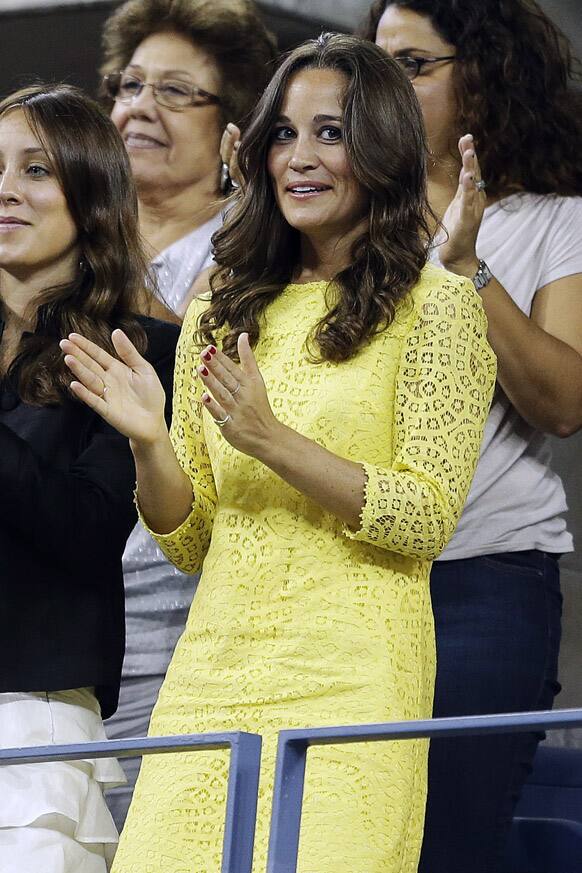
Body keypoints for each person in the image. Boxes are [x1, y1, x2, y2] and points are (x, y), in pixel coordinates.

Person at [63, 33, 496, 873]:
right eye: (284, 135)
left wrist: (270, 440)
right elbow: (186, 541)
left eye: (331, 133)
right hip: (209, 683)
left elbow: (425, 517)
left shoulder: (438, 307)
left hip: (354, 684)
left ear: (383, 148)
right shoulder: (222, 313)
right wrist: (151, 441)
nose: (300, 157)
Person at [361, 1, 582, 870]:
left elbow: (561, 401)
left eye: (411, 65)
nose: (383, 86)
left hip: (483, 576)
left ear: (483, 74)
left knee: (447, 843)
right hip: (353, 571)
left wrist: (464, 267)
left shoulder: (554, 218)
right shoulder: (335, 209)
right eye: (372, 64)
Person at [98, 0, 277, 827]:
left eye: (175, 92)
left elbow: (198, 380)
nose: (139, 106)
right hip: (65, 573)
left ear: (235, 130)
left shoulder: (255, 257)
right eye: (128, 86)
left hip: (185, 582)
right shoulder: (52, 238)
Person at [0, 84, 179, 872]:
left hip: (32, 721)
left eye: (35, 170)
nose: (4, 188)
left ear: (91, 192)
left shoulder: (138, 351)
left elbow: (87, 531)